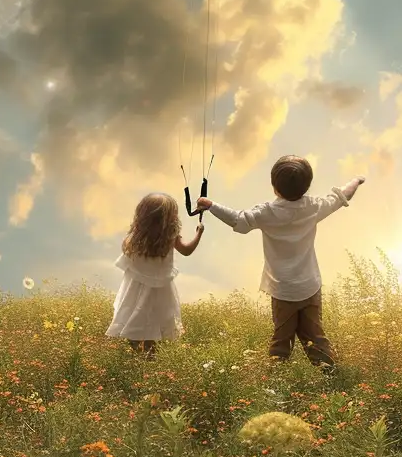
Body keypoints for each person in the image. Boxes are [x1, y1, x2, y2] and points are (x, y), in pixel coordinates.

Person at [198, 155, 363, 367]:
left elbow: (238, 220)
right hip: (310, 287)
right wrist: (357, 180)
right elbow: (341, 196)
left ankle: (277, 377)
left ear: (274, 187)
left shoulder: (267, 212)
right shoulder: (313, 207)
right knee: (315, 335)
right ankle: (329, 371)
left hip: (282, 290)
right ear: (307, 186)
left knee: (282, 338)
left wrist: (210, 205)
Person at [105, 191, 204, 355]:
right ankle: (150, 357)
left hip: (135, 289)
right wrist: (199, 233)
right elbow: (187, 250)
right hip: (161, 291)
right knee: (156, 321)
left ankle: (140, 353)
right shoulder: (170, 237)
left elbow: (126, 251)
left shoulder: (135, 238)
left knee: (135, 316)